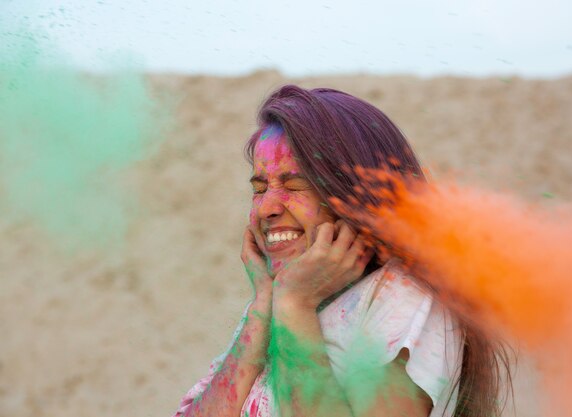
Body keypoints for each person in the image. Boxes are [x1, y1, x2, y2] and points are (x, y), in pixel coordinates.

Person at [172, 85, 511, 417]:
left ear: (357, 196)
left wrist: (294, 306)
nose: (267, 208)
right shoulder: (274, 302)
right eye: (259, 189)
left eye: (295, 185)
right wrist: (264, 303)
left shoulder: (404, 299)